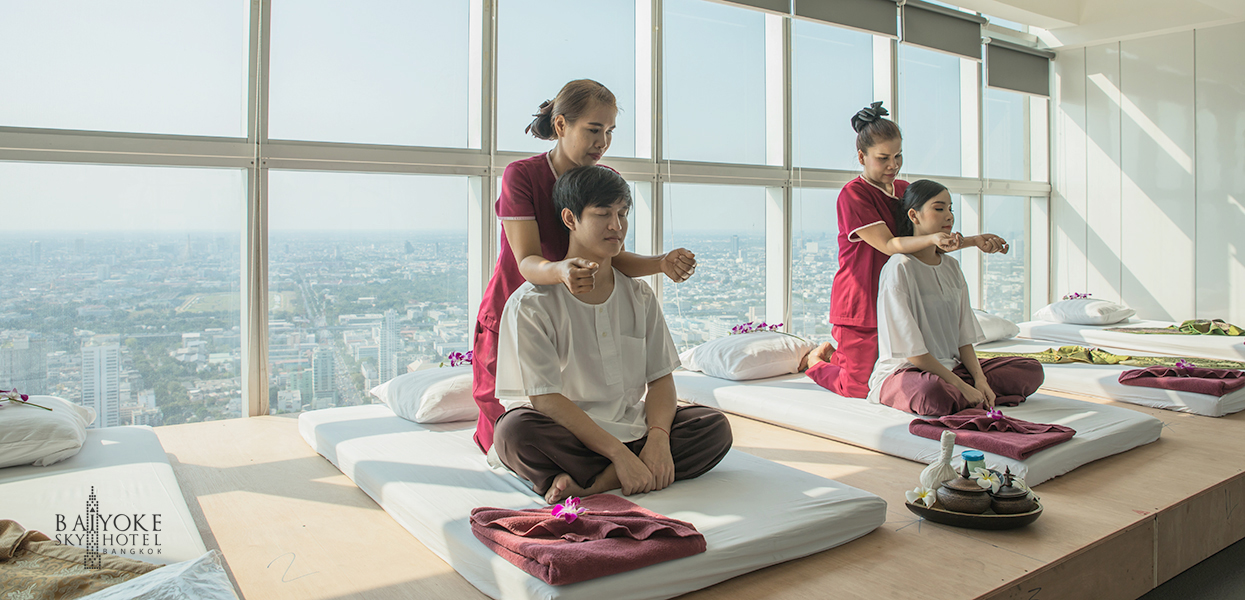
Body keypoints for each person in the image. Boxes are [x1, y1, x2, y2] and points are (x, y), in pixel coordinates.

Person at [472, 79, 697, 454]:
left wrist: (660, 263)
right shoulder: (523, 176)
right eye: (594, 130)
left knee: (589, 416)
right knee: (510, 432)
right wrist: (561, 272)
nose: (603, 142)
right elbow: (526, 260)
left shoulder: (606, 180)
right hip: (520, 313)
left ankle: (606, 467)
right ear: (561, 126)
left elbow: (611, 254)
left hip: (576, 317)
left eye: (609, 132)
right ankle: (606, 467)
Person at [492, 166, 732, 504]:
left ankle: (597, 481)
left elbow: (661, 379)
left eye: (623, 213)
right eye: (603, 214)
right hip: (569, 434)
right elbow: (545, 400)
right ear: (570, 219)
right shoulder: (532, 304)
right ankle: (625, 467)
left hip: (633, 428)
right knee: (513, 432)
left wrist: (660, 439)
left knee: (713, 427)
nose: (617, 226)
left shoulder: (640, 296)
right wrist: (619, 455)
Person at [806, 101, 1010, 399]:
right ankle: (815, 362)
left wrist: (974, 241)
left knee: (899, 371)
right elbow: (890, 245)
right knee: (859, 387)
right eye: (883, 158)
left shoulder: (903, 190)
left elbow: (927, 241)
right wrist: (937, 240)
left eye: (898, 155)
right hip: (862, 299)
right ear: (862, 156)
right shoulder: (854, 195)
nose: (893, 165)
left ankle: (840, 357)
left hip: (900, 295)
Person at [865, 179, 1043, 416]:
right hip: (907, 372)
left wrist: (979, 380)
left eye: (950, 209)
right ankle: (960, 394)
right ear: (914, 216)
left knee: (1030, 369)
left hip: (952, 369)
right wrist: (961, 386)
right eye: (939, 209)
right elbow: (912, 352)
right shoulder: (900, 267)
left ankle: (965, 395)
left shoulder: (951, 267)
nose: (949, 216)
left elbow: (963, 338)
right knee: (931, 392)